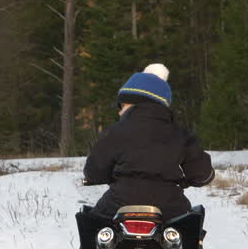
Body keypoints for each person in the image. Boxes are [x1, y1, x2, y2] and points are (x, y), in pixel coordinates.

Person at [83, 64, 215, 220]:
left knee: (93, 225)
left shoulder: (116, 131)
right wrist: (188, 181)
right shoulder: (181, 133)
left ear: (136, 103)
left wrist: (98, 177)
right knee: (189, 232)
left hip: (119, 204)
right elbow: (202, 173)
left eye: (122, 105)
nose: (119, 111)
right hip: (170, 207)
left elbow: (94, 170)